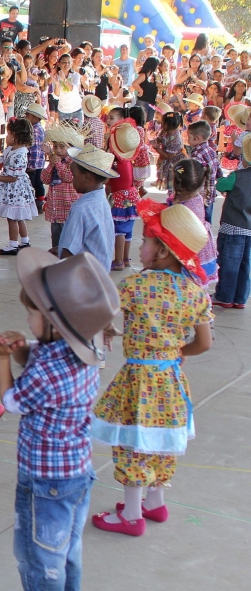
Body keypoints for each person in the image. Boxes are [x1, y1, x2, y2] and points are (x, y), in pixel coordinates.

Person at [0, 249, 119, 591]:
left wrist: (2, 360)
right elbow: (44, 353)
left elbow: (13, 402)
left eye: (32, 314)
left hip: (46, 481)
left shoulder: (46, 369)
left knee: (39, 561)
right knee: (67, 553)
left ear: (53, 321)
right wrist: (19, 347)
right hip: (77, 473)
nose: (28, 319)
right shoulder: (86, 346)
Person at [90, 200, 213, 537]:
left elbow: (102, 310)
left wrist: (106, 329)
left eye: (146, 241)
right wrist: (176, 351)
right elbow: (204, 343)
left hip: (138, 379)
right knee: (160, 441)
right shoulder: (194, 292)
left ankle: (131, 514)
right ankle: (155, 503)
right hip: (170, 379)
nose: (140, 246)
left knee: (132, 442)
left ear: (162, 251)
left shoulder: (135, 286)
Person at [57, 143, 117, 270]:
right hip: (99, 275)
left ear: (86, 177)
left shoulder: (81, 208)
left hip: (82, 278)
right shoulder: (101, 200)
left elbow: (68, 254)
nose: (72, 179)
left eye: (74, 175)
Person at [0, 118, 37, 255]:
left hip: (15, 189)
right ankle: (25, 241)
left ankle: (13, 244)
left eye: (8, 134)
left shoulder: (20, 154)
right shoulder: (10, 150)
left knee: (13, 217)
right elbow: (0, 164)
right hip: (11, 189)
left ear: (15, 136)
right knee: (18, 216)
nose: (6, 137)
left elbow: (12, 178)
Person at [214, 138, 251, 308]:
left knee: (229, 263)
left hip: (232, 227)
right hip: (249, 230)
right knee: (245, 265)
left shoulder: (238, 176)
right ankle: (240, 298)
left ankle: (225, 296)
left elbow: (221, 185)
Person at [169, 159, 218, 285]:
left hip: (192, 256)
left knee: (190, 289)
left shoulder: (185, 208)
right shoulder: (197, 198)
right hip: (201, 251)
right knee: (197, 290)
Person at [38, 123, 85, 251]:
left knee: (68, 238)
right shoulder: (55, 160)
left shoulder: (73, 162)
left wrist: (57, 164)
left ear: (71, 147)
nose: (57, 150)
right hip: (55, 208)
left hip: (67, 207)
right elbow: (45, 179)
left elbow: (69, 177)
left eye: (62, 147)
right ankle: (56, 255)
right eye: (55, 146)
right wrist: (51, 165)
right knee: (56, 236)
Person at [106, 122, 141, 270]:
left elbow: (107, 180)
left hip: (120, 197)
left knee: (118, 229)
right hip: (132, 195)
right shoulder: (128, 160)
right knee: (128, 228)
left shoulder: (113, 160)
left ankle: (118, 261)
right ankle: (126, 259)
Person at [188, 120, 222, 224]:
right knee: (207, 222)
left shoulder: (196, 154)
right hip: (210, 194)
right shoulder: (211, 151)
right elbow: (219, 171)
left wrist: (179, 169)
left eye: (189, 136)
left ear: (197, 138)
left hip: (198, 197)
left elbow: (192, 174)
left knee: (197, 223)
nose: (187, 139)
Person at [22, 103, 47, 212]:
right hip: (39, 163)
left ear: (34, 118)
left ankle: (33, 204)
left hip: (33, 163)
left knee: (32, 184)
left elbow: (35, 149)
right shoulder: (39, 128)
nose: (25, 116)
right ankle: (38, 203)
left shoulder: (35, 130)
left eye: (27, 115)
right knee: (38, 183)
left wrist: (31, 165)